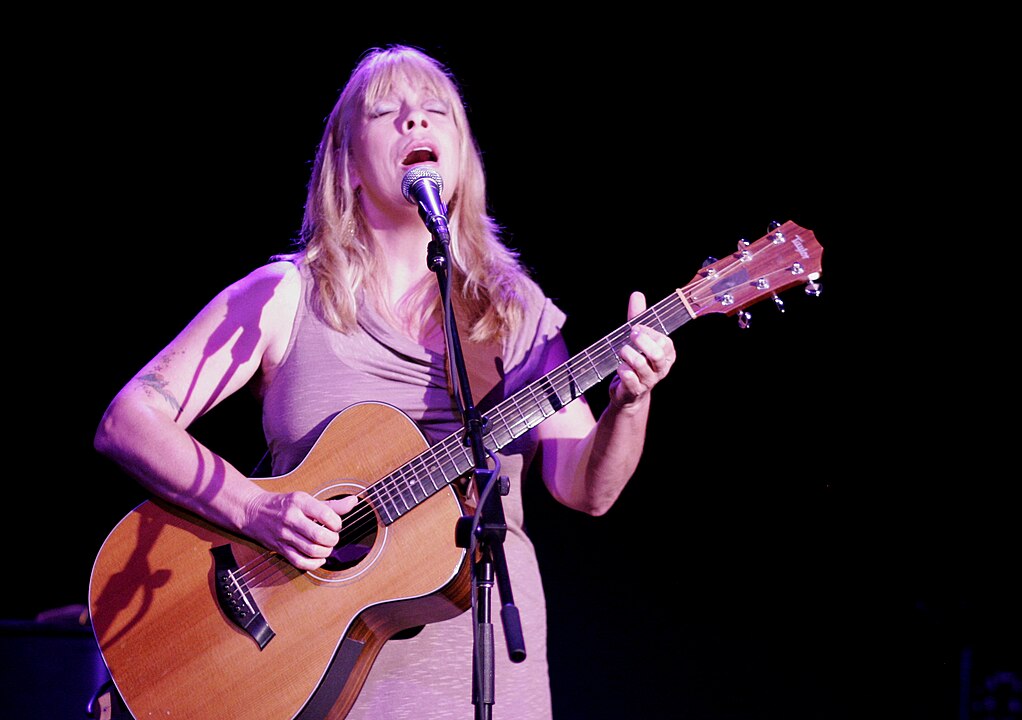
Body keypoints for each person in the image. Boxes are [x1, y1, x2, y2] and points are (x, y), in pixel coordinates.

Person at [93, 44, 676, 720]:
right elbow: (129, 419)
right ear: (346, 160)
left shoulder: (512, 309)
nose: (415, 124)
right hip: (300, 674)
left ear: (462, 155)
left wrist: (630, 402)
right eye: (388, 112)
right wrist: (254, 509)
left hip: (482, 678)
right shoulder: (286, 296)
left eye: (436, 113)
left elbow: (585, 488)